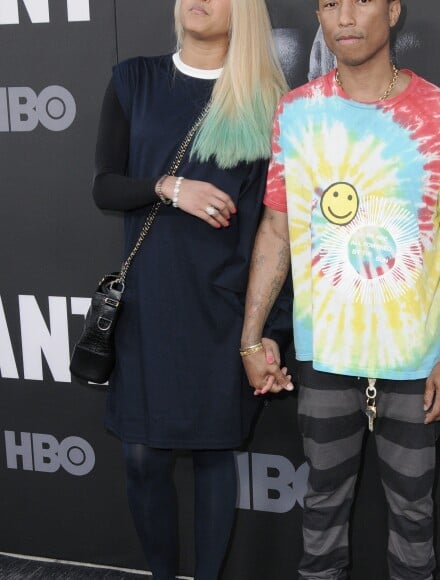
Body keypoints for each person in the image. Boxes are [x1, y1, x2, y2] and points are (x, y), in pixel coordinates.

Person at [240, 0, 440, 578]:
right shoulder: (296, 113)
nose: (344, 16)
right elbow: (276, 230)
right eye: (330, 3)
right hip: (326, 360)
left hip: (417, 365)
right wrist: (250, 338)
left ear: (392, 9)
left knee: (414, 519)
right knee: (320, 517)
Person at [92, 1, 288, 579]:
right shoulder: (135, 78)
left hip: (223, 310)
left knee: (212, 455)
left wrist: (266, 331)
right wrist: (169, 186)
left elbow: (276, 230)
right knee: (141, 457)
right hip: (148, 306)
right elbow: (105, 186)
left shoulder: (269, 103)